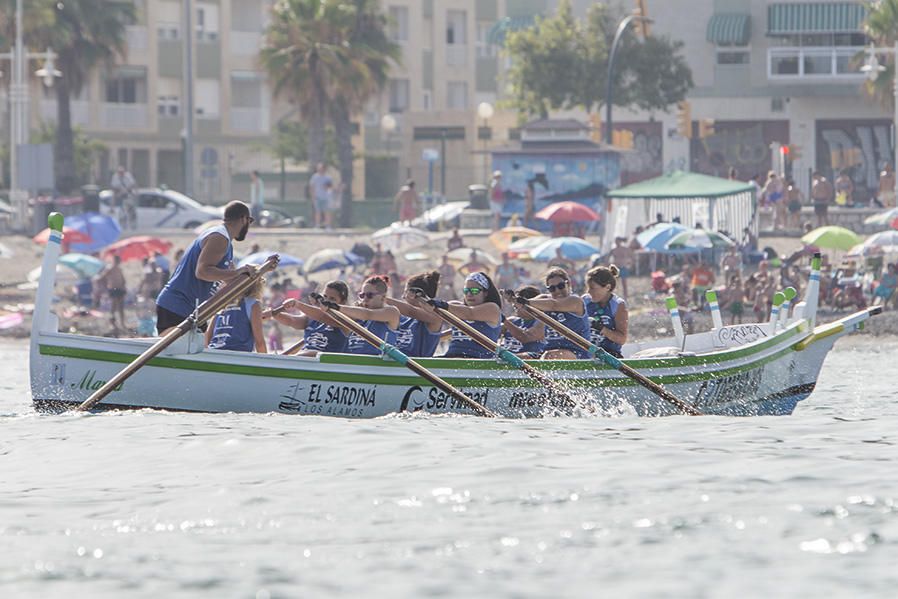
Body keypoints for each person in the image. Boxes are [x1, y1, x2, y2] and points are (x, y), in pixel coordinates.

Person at [155, 200, 258, 335]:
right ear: (244, 219)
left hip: (195, 311)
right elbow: (202, 272)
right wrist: (237, 272)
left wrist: (253, 276)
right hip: (178, 305)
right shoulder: (219, 237)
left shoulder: (225, 242)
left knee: (201, 347)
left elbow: (229, 279)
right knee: (189, 351)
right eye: (250, 221)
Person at [518, 268, 590, 360]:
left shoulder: (575, 301)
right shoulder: (546, 303)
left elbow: (554, 305)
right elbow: (524, 313)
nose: (557, 291)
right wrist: (514, 300)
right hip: (548, 352)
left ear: (568, 284)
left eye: (561, 286)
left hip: (577, 354)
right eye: (552, 288)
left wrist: (525, 302)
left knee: (549, 356)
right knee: (517, 358)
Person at [269, 280, 351, 356]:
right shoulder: (312, 317)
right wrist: (274, 314)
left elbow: (322, 317)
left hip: (327, 361)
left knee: (311, 354)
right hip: (307, 358)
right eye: (325, 296)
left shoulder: (344, 319)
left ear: (342, 302)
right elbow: (292, 321)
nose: (327, 301)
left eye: (332, 299)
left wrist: (297, 304)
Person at [433, 271, 502, 358]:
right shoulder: (456, 306)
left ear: (485, 293)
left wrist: (442, 305)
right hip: (452, 357)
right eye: (466, 291)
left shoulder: (492, 308)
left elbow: (469, 313)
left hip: (479, 360)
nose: (469, 294)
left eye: (474, 291)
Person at [339, 275, 401, 356]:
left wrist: (337, 307)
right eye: (362, 295)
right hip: (354, 362)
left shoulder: (392, 312)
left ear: (383, 297)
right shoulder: (358, 313)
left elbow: (368, 314)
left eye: (369, 295)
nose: (365, 299)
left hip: (377, 365)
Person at [387, 271, 443, 358]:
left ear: (414, 293)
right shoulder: (401, 317)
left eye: (405, 292)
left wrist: (380, 299)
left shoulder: (435, 317)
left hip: (415, 365)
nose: (403, 297)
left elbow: (411, 311)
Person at [205, 277, 267, 353]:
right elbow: (259, 341)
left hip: (215, 353)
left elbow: (208, 336)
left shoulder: (221, 304)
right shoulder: (253, 304)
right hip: (238, 355)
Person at [583, 265, 628, 358]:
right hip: (587, 351)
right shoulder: (584, 301)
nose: (589, 292)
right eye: (588, 288)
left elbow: (622, 339)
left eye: (592, 288)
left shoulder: (618, 305)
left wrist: (600, 328)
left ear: (607, 287)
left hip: (609, 354)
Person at [500, 285, 545, 358]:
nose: (514, 304)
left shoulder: (542, 322)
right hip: (506, 359)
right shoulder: (511, 320)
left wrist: (504, 320)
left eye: (518, 301)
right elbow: (491, 333)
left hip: (528, 360)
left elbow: (526, 338)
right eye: (514, 301)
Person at [97, 254, 127, 334]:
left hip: (120, 289)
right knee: (113, 307)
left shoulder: (119, 269)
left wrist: (124, 286)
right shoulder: (110, 268)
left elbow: (123, 279)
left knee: (121, 307)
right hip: (113, 289)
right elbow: (101, 277)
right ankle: (112, 324)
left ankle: (122, 324)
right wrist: (105, 287)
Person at [110, 165, 137, 230]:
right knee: (122, 214)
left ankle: (133, 227)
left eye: (122, 172)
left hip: (129, 196)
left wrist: (127, 190)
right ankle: (123, 227)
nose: (121, 173)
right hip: (121, 198)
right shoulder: (115, 178)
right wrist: (112, 205)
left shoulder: (128, 176)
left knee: (132, 212)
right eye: (120, 172)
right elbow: (114, 190)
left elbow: (132, 184)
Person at [309, 162, 333, 228]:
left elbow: (330, 187)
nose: (320, 169)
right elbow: (312, 187)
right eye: (318, 168)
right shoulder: (314, 177)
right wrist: (313, 197)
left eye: (321, 168)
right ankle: (317, 226)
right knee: (317, 212)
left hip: (326, 198)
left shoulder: (328, 177)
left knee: (327, 212)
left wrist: (327, 187)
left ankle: (328, 226)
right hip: (317, 197)